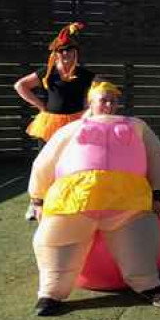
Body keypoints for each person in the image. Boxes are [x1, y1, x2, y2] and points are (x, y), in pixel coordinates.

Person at [27, 80, 160, 316]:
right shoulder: (71, 129)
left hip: (128, 200)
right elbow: (45, 160)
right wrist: (38, 198)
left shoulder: (137, 126)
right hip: (74, 199)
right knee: (53, 239)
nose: (109, 104)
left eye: (113, 100)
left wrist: (157, 191)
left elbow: (155, 156)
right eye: (103, 99)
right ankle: (50, 294)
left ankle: (150, 286)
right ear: (90, 103)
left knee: (141, 243)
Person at [14, 22, 95, 219]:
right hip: (50, 124)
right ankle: (36, 203)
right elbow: (20, 85)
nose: (66, 54)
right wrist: (41, 106)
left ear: (76, 52)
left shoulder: (85, 75)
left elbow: (101, 91)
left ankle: (72, 201)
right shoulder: (48, 72)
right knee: (45, 163)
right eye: (62, 51)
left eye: (70, 50)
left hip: (76, 125)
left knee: (75, 163)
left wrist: (89, 109)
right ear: (56, 53)